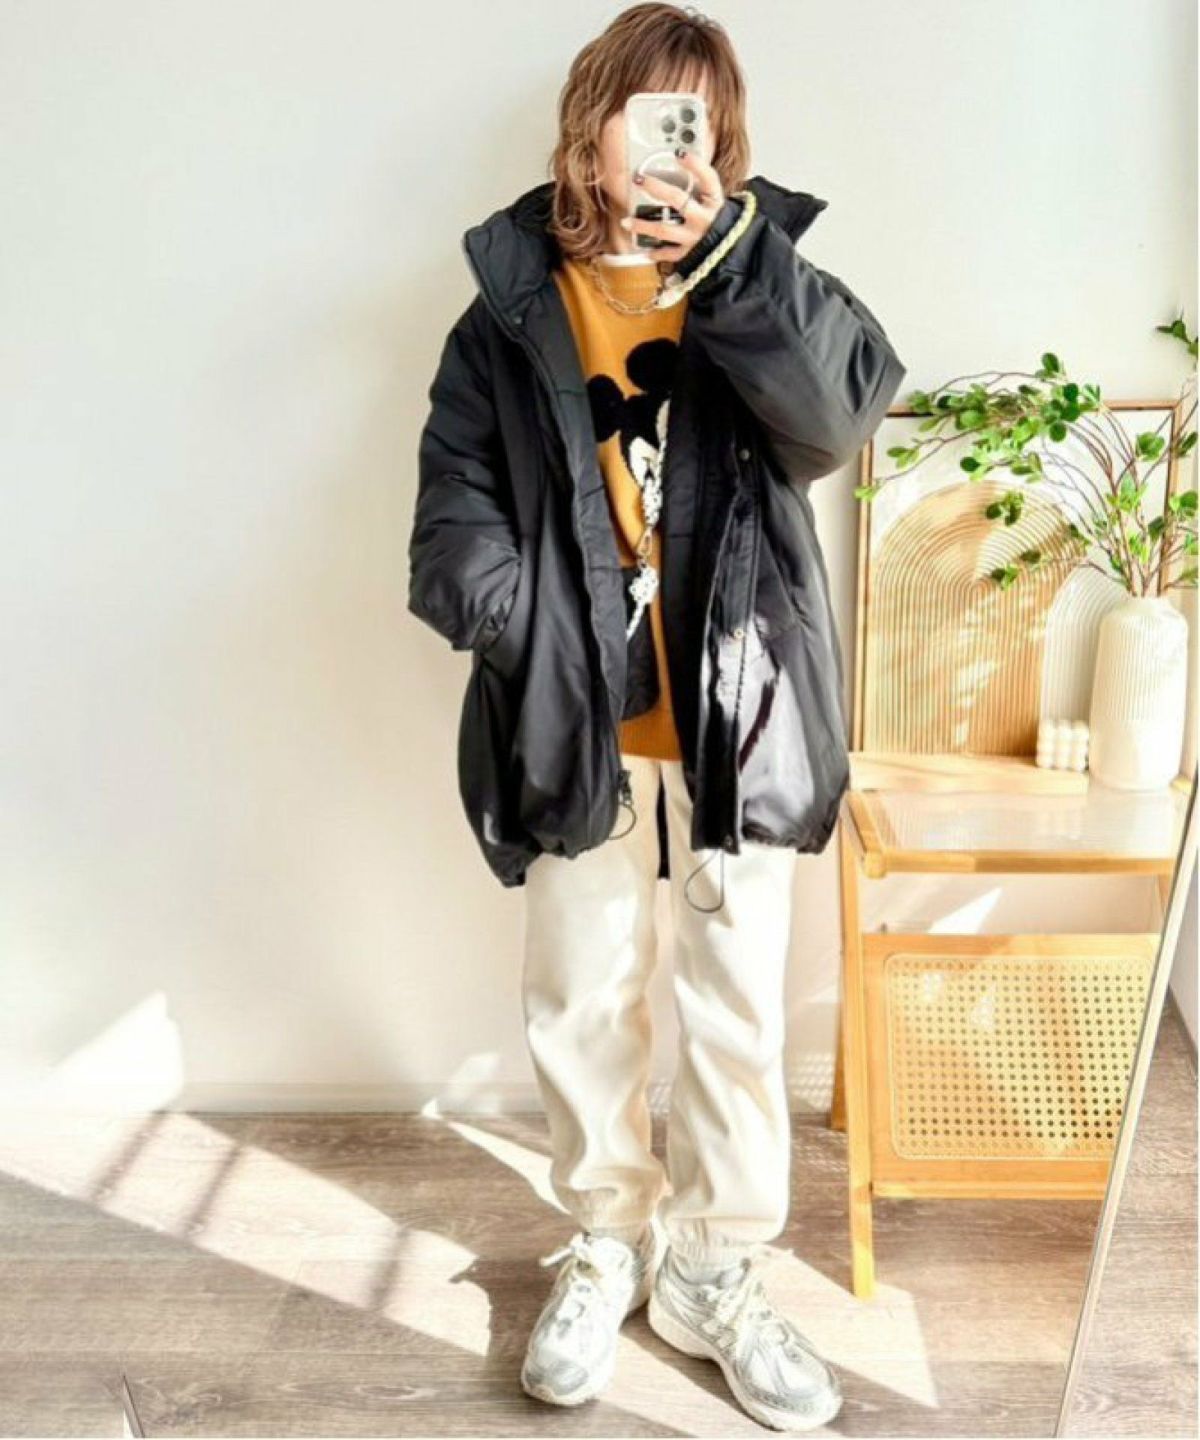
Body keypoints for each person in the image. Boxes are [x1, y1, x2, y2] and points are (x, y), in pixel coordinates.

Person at [408, 3, 906, 1430]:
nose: (673, 142)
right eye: (649, 112)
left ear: (722, 141)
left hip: (741, 715)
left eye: (700, 119)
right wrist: (528, 635)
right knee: (582, 997)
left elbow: (841, 414)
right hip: (578, 719)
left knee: (738, 1009)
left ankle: (713, 1271)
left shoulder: (762, 269)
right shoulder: (511, 307)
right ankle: (609, 1241)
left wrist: (732, 256)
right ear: (595, 124)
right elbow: (453, 513)